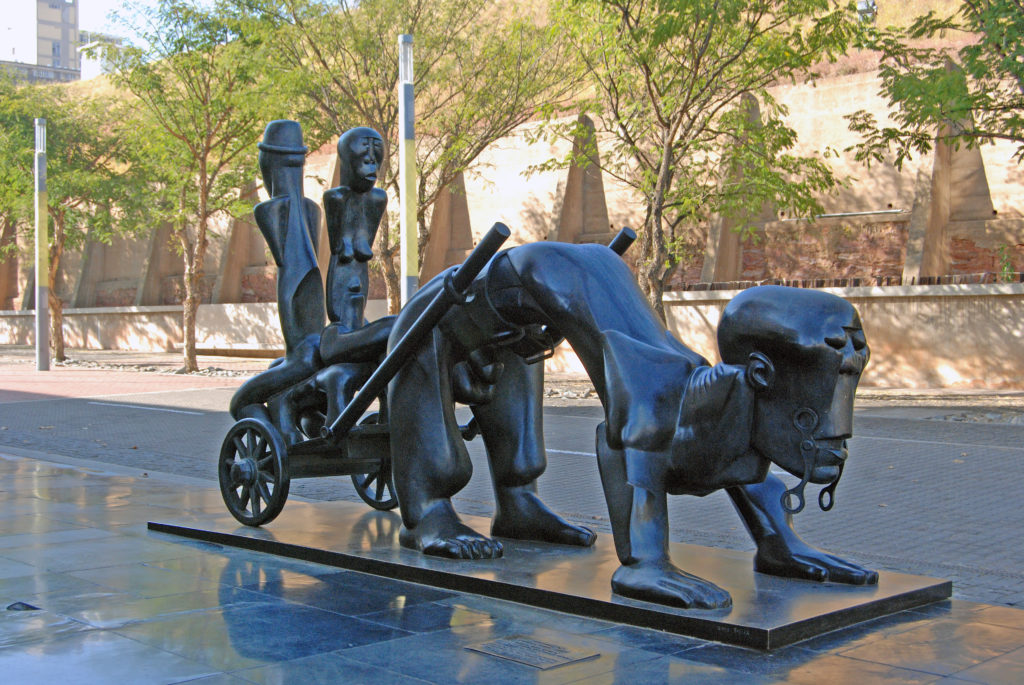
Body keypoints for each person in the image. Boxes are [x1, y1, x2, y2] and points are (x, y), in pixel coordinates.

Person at [387, 240, 875, 608]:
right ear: (761, 374)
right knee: (426, 349)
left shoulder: (716, 387)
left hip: (538, 295)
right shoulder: (654, 386)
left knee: (522, 351)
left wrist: (780, 541)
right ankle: (428, 512)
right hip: (468, 296)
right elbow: (619, 443)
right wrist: (646, 562)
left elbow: (740, 452)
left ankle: (518, 507)